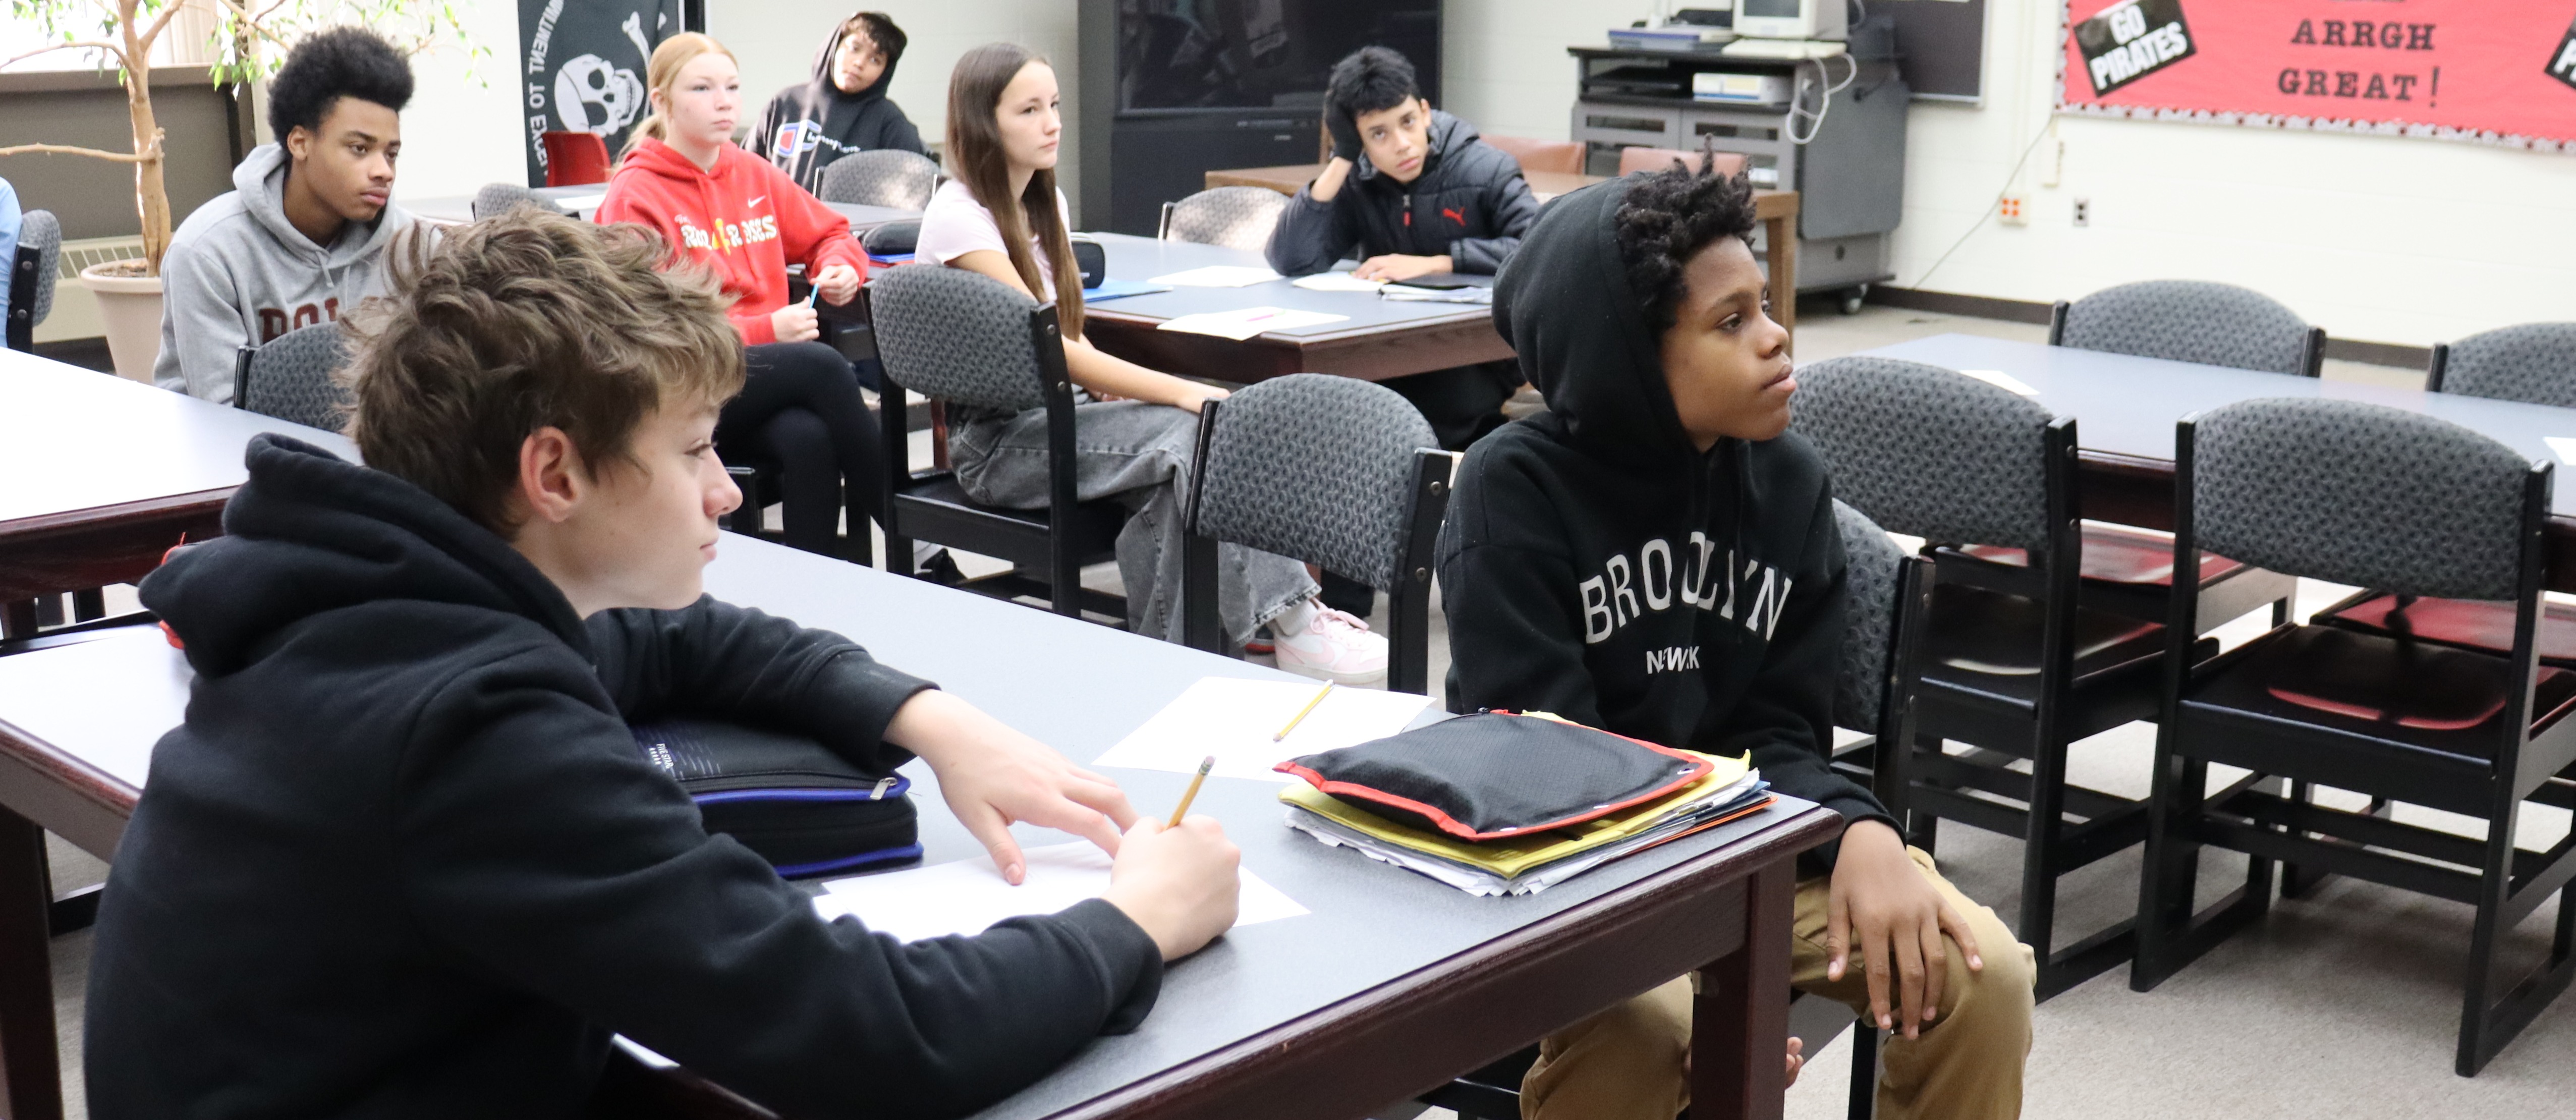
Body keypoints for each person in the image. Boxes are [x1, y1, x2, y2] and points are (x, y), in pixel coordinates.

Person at [84, 208, 1244, 1116]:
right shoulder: (472, 735)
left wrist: (929, 718)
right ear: (554, 475)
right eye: (693, 450)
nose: (727, 491)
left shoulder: (374, 609)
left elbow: (665, 640)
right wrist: (1137, 921)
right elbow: (876, 1037)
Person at [1437, 162, 2035, 1120]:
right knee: (1650, 1032)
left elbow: (1782, 733)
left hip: (1744, 843)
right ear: (1627, 360)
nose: (1775, 336)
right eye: (1730, 322)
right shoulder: (1511, 492)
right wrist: (1720, 988)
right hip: (1575, 866)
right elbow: (1546, 766)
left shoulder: (1787, 482)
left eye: (1763, 305)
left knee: (1981, 976)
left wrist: (1859, 828)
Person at [915, 42, 1386, 684]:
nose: (1053, 123)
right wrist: (1178, 390)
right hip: (995, 443)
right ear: (982, 123)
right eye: (1029, 110)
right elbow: (1051, 351)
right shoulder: (959, 217)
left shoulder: (1046, 203)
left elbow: (1064, 335)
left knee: (1172, 491)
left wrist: (1121, 390)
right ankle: (1295, 620)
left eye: (1054, 105)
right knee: (1194, 429)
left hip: (1058, 418)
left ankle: (1172, 673)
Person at [596, 33, 885, 563]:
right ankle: (907, 537)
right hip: (682, 382)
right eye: (702, 89)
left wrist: (840, 266)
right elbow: (650, 330)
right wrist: (766, 330)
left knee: (808, 437)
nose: (724, 102)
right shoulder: (635, 195)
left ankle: (815, 592)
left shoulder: (749, 170)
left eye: (731, 87)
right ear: (661, 101)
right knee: (823, 367)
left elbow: (831, 232)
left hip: (752, 383)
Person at [1264, 46, 1538, 455]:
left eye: (1408, 122)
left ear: (1425, 112)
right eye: (1378, 134)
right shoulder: (1359, 179)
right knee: (1312, 415)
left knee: (1396, 425)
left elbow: (1536, 248)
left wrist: (1438, 262)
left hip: (1471, 360)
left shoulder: (1487, 167)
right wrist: (1342, 158)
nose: (1402, 144)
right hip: (1382, 352)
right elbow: (1291, 259)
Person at [154, 27, 420, 405]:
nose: (384, 171)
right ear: (300, 143)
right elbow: (226, 410)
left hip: (374, 437)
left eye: (391, 154)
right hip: (229, 439)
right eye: (360, 149)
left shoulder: (414, 247)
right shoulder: (207, 252)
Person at [750, 10, 928, 195]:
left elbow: (915, 191)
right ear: (835, 47)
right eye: (855, 49)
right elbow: (744, 170)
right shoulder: (786, 103)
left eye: (875, 60)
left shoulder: (889, 122)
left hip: (847, 216)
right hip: (776, 214)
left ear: (885, 72)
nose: (859, 63)